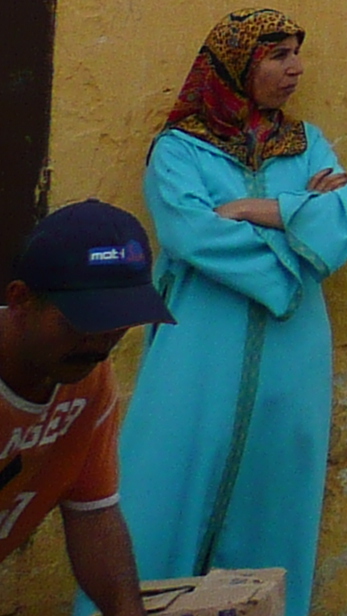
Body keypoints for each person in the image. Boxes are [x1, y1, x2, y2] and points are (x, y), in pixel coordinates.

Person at [114, 11, 347, 616]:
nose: (296, 69)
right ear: (236, 65)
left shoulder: (307, 142)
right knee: (165, 488)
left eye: (296, 53)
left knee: (277, 497)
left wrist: (258, 207)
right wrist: (295, 241)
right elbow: (190, 233)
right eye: (278, 55)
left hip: (294, 354)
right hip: (199, 343)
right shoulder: (178, 150)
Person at [0, 201, 171, 616]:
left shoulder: (87, 380)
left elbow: (93, 514)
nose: (100, 342)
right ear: (21, 300)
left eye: (119, 322)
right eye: (83, 321)